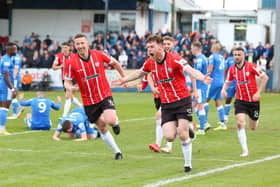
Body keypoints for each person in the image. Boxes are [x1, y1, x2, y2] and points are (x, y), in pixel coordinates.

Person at [112, 35, 212, 172]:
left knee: (182, 135)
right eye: (147, 47)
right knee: (169, 136)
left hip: (182, 100)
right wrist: (124, 80)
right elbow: (139, 73)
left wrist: (202, 77)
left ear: (160, 46)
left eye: (151, 47)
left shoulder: (175, 59)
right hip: (167, 104)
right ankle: (186, 127)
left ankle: (187, 165)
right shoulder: (150, 63)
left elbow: (190, 70)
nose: (149, 50)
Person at [64, 34, 127, 160]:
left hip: (104, 94)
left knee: (110, 120)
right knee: (102, 127)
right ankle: (117, 152)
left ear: (87, 44)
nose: (80, 46)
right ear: (75, 46)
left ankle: (115, 123)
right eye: (78, 44)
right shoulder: (71, 62)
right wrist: (69, 88)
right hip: (89, 101)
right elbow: (67, 80)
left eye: (82, 43)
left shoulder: (99, 54)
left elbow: (115, 63)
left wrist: (124, 78)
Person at [221, 47, 268, 157]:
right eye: (235, 55)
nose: (236, 57)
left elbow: (265, 77)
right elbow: (227, 82)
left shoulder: (251, 66)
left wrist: (258, 93)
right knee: (240, 122)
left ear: (244, 55)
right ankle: (245, 151)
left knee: (253, 127)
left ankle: (255, 119)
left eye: (239, 55)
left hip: (253, 102)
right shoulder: (232, 69)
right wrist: (224, 89)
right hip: (240, 100)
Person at [52, 42, 82, 117]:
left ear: (69, 48)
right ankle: (82, 108)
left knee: (68, 96)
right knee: (70, 97)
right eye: (63, 47)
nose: (64, 49)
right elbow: (53, 67)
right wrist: (61, 66)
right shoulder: (58, 56)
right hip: (64, 78)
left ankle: (64, 116)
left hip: (73, 78)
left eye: (65, 47)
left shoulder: (74, 56)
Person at [205, 42, 226, 130]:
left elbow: (210, 69)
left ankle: (204, 123)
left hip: (213, 81)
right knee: (218, 101)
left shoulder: (212, 56)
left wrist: (205, 77)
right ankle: (222, 124)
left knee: (204, 100)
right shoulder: (222, 57)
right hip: (221, 81)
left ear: (214, 48)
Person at [191, 41, 209, 135]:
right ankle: (204, 123)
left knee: (200, 107)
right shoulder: (201, 58)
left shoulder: (199, 60)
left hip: (200, 87)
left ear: (195, 48)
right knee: (192, 105)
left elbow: (195, 74)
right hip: (200, 86)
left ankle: (202, 129)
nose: (191, 50)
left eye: (191, 48)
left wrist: (195, 90)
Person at [0, 42, 18, 135]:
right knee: (5, 107)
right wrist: (12, 88)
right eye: (14, 49)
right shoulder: (6, 60)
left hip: (3, 85)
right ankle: (2, 129)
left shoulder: (7, 58)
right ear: (8, 50)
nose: (16, 51)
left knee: (2, 107)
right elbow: (6, 76)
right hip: (5, 86)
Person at [11, 46, 24, 118]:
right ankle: (16, 110)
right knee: (11, 95)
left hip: (14, 79)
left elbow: (15, 70)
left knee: (12, 95)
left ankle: (16, 111)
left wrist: (12, 79)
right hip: (13, 78)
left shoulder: (16, 58)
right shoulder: (12, 56)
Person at [224, 55, 236, 123]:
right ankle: (225, 116)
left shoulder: (243, 60)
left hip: (239, 82)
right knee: (228, 99)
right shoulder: (229, 59)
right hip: (231, 82)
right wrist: (225, 80)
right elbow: (225, 70)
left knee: (240, 99)